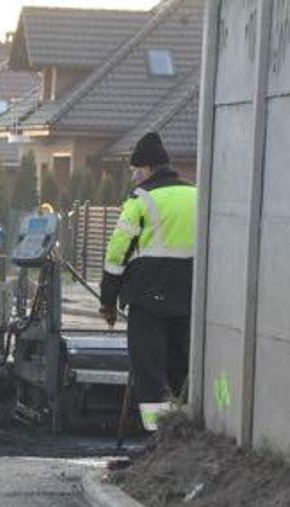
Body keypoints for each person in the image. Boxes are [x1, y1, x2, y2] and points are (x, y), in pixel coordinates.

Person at [98, 131, 196, 433]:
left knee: (149, 369)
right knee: (182, 364)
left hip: (148, 296)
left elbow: (116, 256)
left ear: (148, 168)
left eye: (134, 171)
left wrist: (108, 301)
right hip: (192, 295)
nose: (133, 177)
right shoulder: (198, 195)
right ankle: (183, 430)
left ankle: (156, 437)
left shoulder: (141, 200)